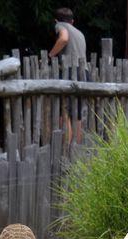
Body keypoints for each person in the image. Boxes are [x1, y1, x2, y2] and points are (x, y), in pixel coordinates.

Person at [49, 8, 87, 144]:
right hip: (83, 73)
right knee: (77, 114)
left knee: (64, 112)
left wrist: (50, 55)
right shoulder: (80, 33)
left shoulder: (60, 26)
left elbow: (64, 38)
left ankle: (65, 150)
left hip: (70, 71)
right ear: (72, 21)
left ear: (56, 21)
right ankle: (76, 152)